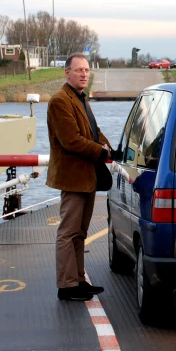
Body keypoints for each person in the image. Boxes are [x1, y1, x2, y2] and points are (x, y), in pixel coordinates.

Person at [46, 53, 110, 301]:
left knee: (80, 232)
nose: (84, 74)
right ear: (67, 73)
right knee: (68, 231)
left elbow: (94, 132)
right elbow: (71, 140)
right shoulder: (60, 101)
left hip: (87, 176)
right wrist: (100, 151)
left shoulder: (80, 99)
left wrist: (107, 146)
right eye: (79, 70)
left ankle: (78, 279)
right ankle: (67, 285)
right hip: (73, 177)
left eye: (86, 70)